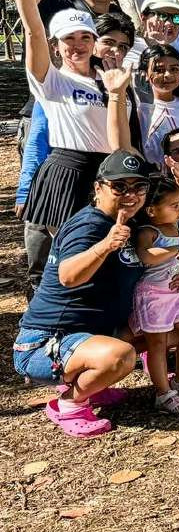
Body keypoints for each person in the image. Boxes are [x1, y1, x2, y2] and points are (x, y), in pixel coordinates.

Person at [3, 0, 132, 267]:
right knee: (69, 262)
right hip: (67, 175)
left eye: (85, 37)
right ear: (55, 44)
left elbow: (120, 144)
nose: (77, 45)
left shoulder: (113, 80)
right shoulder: (53, 81)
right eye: (68, 39)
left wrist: (117, 94)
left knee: (105, 260)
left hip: (107, 174)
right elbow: (33, 31)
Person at [12, 150, 151, 437]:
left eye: (139, 187)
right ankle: (69, 403)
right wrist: (104, 246)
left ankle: (93, 384)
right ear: (98, 188)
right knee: (120, 357)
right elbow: (68, 276)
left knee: (162, 333)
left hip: (86, 333)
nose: (131, 194)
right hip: (46, 342)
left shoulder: (124, 221)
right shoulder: (91, 225)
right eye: (119, 186)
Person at [130, 163, 179, 413]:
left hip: (175, 293)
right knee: (157, 344)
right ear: (151, 210)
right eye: (174, 205)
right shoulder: (148, 231)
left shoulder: (172, 220)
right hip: (153, 295)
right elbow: (146, 256)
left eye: (177, 204)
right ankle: (163, 392)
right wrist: (175, 251)